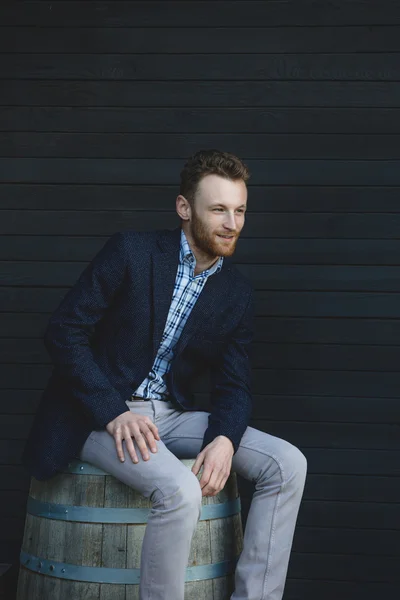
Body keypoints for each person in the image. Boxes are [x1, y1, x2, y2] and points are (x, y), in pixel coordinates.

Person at [22, 149, 307, 600]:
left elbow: (234, 385)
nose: (232, 223)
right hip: (96, 414)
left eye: (239, 210)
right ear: (184, 208)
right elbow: (64, 333)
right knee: (179, 490)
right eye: (218, 209)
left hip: (171, 415)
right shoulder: (131, 252)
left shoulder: (235, 292)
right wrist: (113, 410)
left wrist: (225, 439)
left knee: (288, 463)